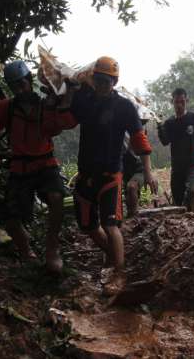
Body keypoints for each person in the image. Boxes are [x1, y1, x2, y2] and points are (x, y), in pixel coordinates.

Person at [0, 60, 73, 274]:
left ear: (29, 81)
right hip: (20, 167)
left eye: (22, 84)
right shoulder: (7, 107)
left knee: (57, 198)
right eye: (15, 86)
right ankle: (26, 252)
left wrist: (62, 100)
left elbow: (59, 126)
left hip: (46, 163)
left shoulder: (45, 104)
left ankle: (52, 246)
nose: (20, 89)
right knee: (11, 218)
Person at [69, 56, 157, 295]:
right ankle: (111, 255)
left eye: (106, 81)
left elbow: (140, 141)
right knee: (87, 226)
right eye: (98, 79)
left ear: (114, 81)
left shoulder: (124, 107)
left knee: (110, 225)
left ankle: (120, 273)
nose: (101, 84)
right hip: (86, 173)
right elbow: (67, 116)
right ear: (93, 79)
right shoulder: (85, 102)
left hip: (111, 174)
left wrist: (148, 173)